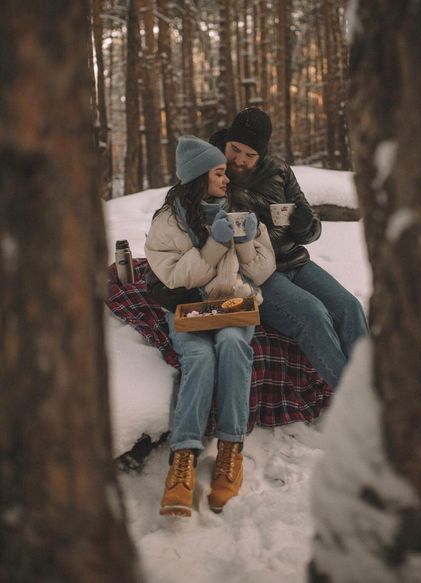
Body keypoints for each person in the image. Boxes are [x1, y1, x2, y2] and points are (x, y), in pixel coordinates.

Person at [145, 135, 276, 517]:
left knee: (234, 345)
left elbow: (263, 270)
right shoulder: (167, 222)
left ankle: (231, 451)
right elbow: (172, 278)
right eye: (219, 172)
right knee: (199, 358)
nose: (226, 179)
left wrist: (248, 242)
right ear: (199, 177)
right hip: (189, 309)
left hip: (234, 304)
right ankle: (182, 461)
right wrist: (214, 246)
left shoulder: (239, 207)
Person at [210, 107, 369, 390]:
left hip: (294, 261)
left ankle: (373, 389)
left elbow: (312, 229)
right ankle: (354, 401)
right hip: (255, 273)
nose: (240, 160)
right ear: (226, 143)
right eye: (235, 149)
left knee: (350, 307)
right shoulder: (212, 172)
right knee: (313, 314)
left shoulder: (279, 171)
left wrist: (304, 223)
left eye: (250, 155)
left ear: (262, 155)